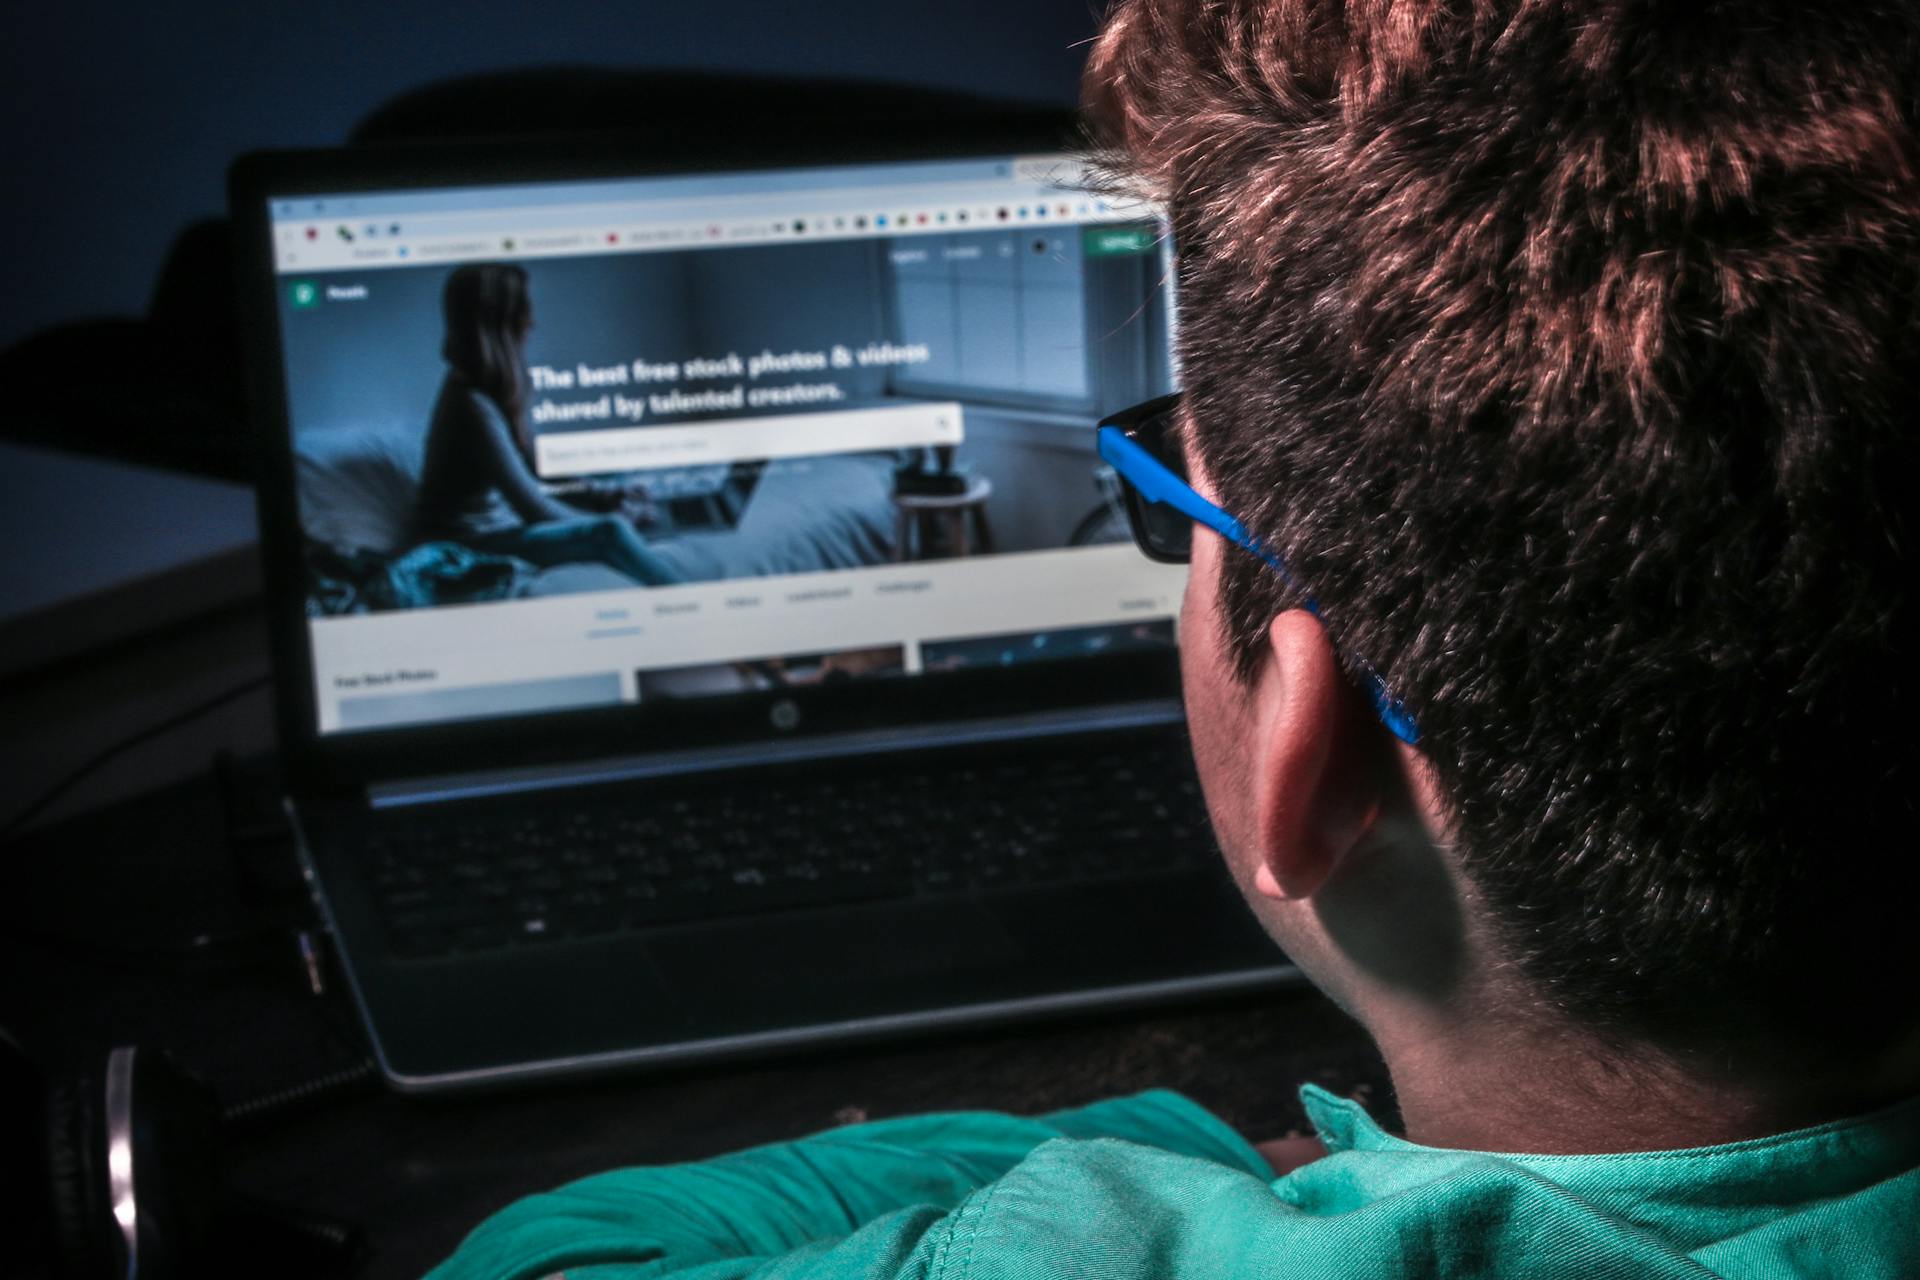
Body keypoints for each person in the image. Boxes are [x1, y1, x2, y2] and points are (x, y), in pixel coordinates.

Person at [429, 2, 1919, 1275]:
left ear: (1305, 746)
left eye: (1167, 498)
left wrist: (1177, 1141)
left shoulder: (1084, 1243)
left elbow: (547, 1250)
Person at [417, 263, 683, 587]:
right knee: (609, 534)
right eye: (523, 310)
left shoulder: (488, 387)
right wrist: (617, 520)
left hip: (494, 529)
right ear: (500, 321)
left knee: (621, 522)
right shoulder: (470, 404)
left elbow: (533, 464)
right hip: (465, 546)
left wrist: (603, 493)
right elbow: (534, 508)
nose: (533, 321)